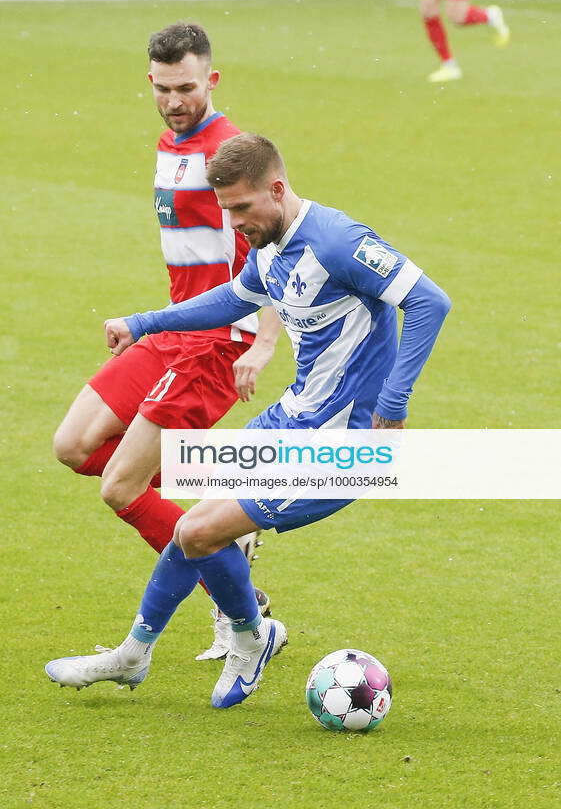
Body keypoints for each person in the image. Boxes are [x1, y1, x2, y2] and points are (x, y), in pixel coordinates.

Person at [45, 133, 451, 709]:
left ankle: (229, 642)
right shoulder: (269, 247)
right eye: (225, 210)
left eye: (241, 207)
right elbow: (233, 299)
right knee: (195, 528)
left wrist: (393, 404)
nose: (234, 221)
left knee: (198, 531)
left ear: (278, 190)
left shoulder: (336, 241)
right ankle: (150, 651)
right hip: (289, 419)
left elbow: (430, 302)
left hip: (344, 444)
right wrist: (145, 322)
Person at [52, 23, 282, 660]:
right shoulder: (168, 141)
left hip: (215, 342)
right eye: (162, 88)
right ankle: (222, 529)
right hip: (172, 329)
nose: (175, 100)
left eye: (186, 87)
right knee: (73, 445)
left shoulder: (231, 154)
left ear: (211, 80)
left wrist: (262, 343)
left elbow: (276, 251)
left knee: (122, 487)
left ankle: (231, 590)